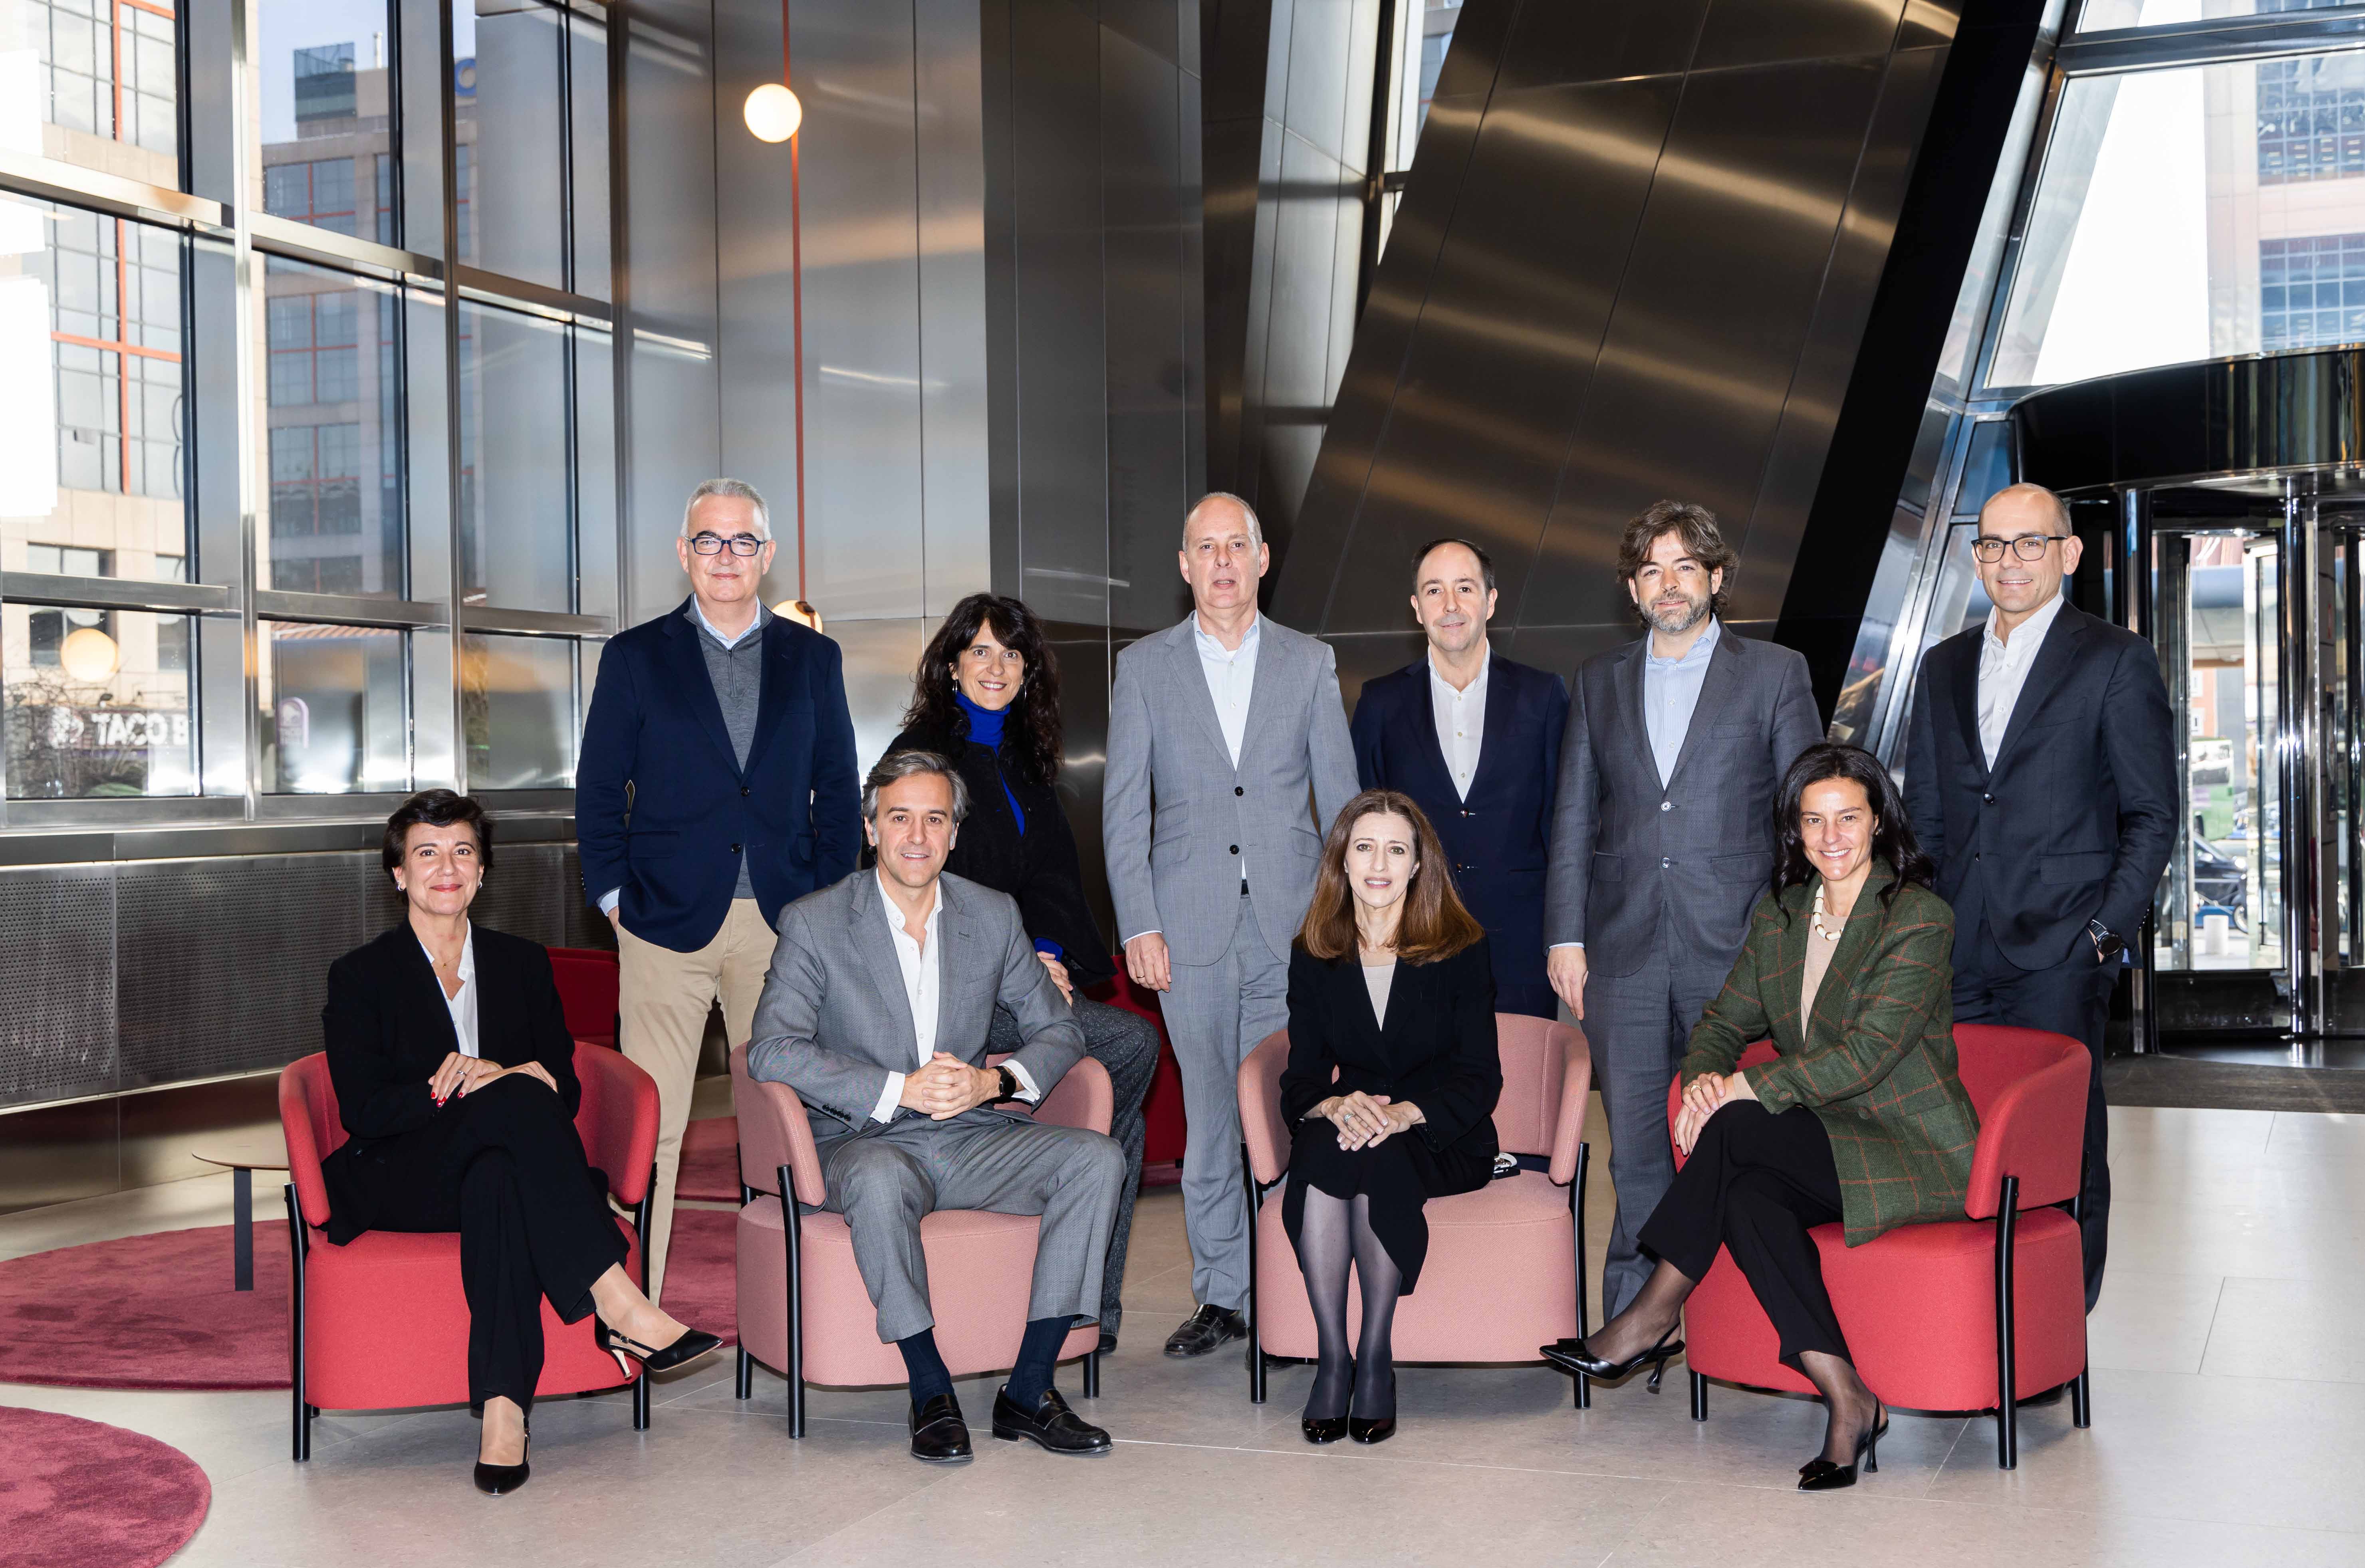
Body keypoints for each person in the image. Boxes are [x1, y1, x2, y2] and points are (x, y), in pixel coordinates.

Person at [1542, 744, 1979, 1493]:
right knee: (1744, 1197)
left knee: (1736, 1129)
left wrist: (1738, 1096)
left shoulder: (1917, 917)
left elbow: (1866, 1056)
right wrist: (1707, 1075)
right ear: (1794, 832)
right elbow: (1721, 1021)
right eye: (1813, 821)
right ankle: (1849, 1397)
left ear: (1878, 821)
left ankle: (1649, 1316)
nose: (1830, 836)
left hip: (1904, 1144)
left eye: (1847, 817)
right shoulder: (1783, 913)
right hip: (1819, 1139)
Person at [321, 791, 722, 1496]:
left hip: (498, 1165)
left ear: (482, 871)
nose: (446, 867)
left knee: (501, 1175)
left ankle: (504, 1413)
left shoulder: (522, 963)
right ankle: (617, 1300)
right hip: (401, 1174)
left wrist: (499, 1078)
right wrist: (459, 1087)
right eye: (426, 853)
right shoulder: (360, 975)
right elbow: (363, 1108)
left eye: (463, 852)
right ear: (397, 874)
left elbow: (563, 1087)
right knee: (510, 1101)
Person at [746, 751, 1127, 1465]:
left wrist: (996, 1084)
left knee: (1095, 1158)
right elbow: (772, 1050)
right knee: (881, 1176)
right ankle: (930, 1390)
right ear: (869, 828)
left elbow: (1059, 1030)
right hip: (866, 1139)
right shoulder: (815, 922)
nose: (917, 836)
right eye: (899, 818)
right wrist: (897, 1089)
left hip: (972, 1133)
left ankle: (1030, 1389)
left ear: (954, 833)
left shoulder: (991, 914)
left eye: (935, 818)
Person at [576, 477, 861, 1300]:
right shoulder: (635, 657)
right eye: (710, 540)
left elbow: (839, 790)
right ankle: (633, 1315)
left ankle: (801, 1309)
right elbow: (599, 791)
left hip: (785, 926)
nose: (726, 556)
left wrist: (825, 901)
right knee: (651, 1130)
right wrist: (613, 899)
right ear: (683, 552)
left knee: (786, 1122)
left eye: (743, 542)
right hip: (663, 922)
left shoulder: (815, 659)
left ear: (767, 556)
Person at [1543, 500, 1821, 1321]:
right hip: (1621, 954)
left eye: (1685, 567)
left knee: (1724, 1135)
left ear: (1718, 579)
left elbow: (1804, 813)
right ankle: (1635, 1317)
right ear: (1634, 589)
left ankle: (1727, 1314)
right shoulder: (1598, 682)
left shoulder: (1774, 673)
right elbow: (1572, 816)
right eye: (1652, 570)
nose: (1669, 584)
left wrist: (1796, 941)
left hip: (1734, 955)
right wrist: (1565, 935)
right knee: (1634, 1146)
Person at [1903, 482, 2174, 1310]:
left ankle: (2056, 1323)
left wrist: (2100, 933)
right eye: (1993, 544)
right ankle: (1978, 1314)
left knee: (2060, 1144)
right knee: (1959, 1139)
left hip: (2060, 952)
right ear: (1975, 555)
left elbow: (2152, 814)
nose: (2010, 561)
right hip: (1958, 950)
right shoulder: (1943, 665)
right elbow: (1926, 815)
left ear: (2069, 551)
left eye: (2030, 542)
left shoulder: (2113, 659)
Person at [1103, 491, 1360, 1360]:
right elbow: (1122, 810)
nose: (1220, 561)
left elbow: (1343, 809)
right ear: (1184, 567)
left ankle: (1292, 1287)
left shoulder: (1309, 662)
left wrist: (1348, 926)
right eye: (1203, 547)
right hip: (1189, 927)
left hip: (1295, 929)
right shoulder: (1143, 667)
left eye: (1235, 545)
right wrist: (1138, 920)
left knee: (1287, 1109)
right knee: (1213, 1114)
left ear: (1261, 559)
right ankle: (1226, 1294)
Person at [885, 592, 1160, 1353]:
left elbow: (1048, 879)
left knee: (1115, 1101)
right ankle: (1083, 1291)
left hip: (1019, 977)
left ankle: (1089, 1302)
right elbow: (913, 882)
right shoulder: (920, 753)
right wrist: (1022, 969)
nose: (996, 666)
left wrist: (1048, 952)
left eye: (1011, 653)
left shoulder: (1027, 760)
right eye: (980, 651)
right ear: (950, 664)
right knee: (1127, 1057)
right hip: (950, 992)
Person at [1282, 789, 1500, 1446]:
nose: (1379, 862)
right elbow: (1302, 1075)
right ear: (1342, 863)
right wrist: (1333, 1103)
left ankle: (1374, 1354)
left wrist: (1405, 1112)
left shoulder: (1461, 948)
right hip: (1352, 1120)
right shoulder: (1315, 951)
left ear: (1417, 866)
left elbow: (1479, 1075)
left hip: (1441, 1130)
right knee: (1323, 1153)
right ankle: (1332, 1355)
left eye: (1396, 849)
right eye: (1364, 847)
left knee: (1375, 1153)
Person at [1350, 538, 1570, 1017]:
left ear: (1491, 601)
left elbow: (1564, 825)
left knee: (1523, 1086)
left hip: (1522, 948)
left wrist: (1567, 936)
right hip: (1414, 941)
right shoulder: (1380, 704)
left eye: (1465, 588)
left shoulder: (1544, 696)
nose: (1450, 605)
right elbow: (1363, 832)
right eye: (1434, 591)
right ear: (1416, 608)